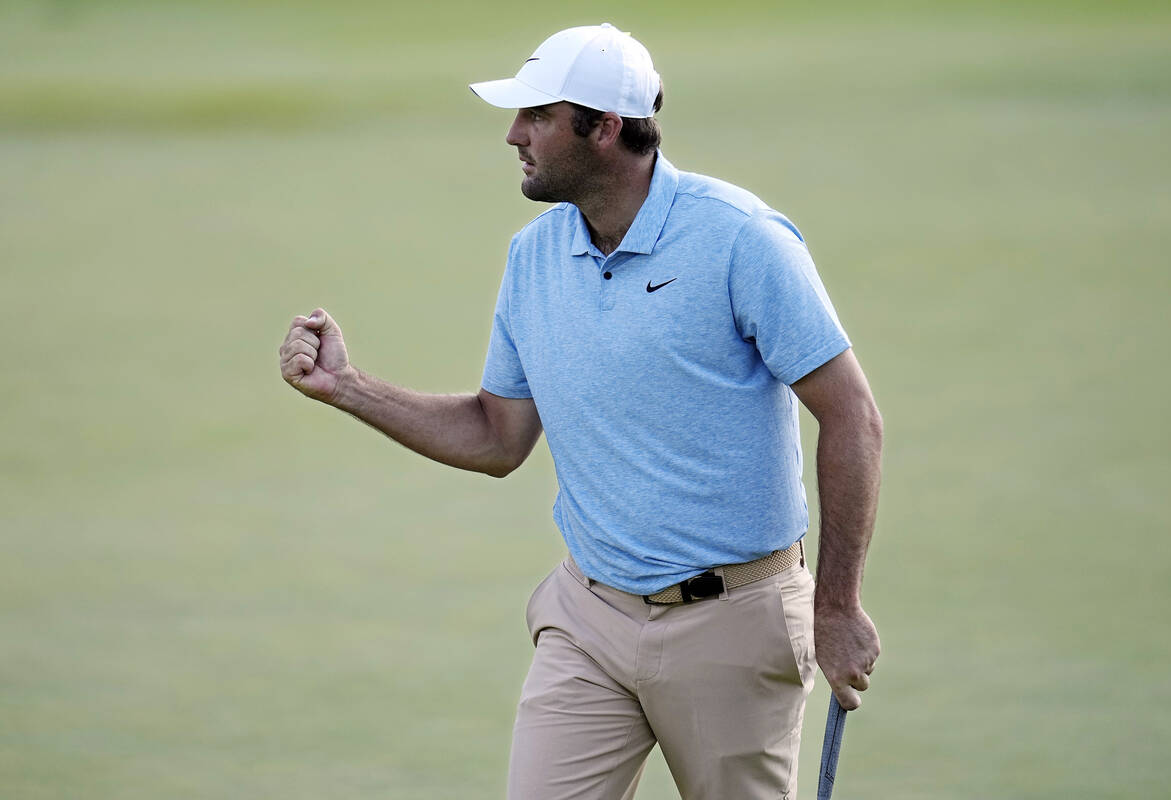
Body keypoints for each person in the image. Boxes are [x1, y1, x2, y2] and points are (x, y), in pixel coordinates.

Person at [279, 22, 882, 800]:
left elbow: (852, 416)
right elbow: (498, 438)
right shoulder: (533, 257)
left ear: (602, 129)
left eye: (537, 116)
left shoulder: (742, 240)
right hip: (588, 618)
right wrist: (348, 388)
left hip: (735, 622)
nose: (512, 135)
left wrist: (835, 607)